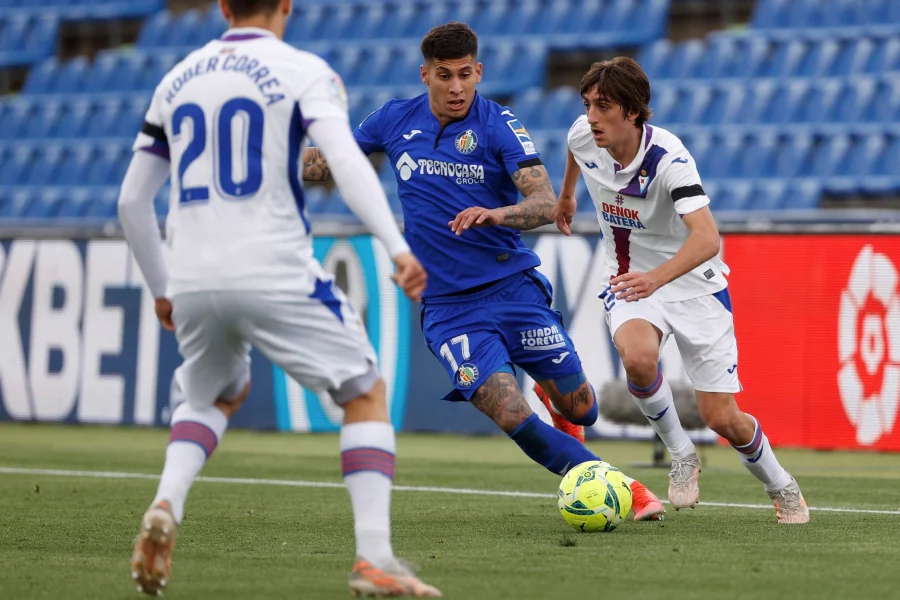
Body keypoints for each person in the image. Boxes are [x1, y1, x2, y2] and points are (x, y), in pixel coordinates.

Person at [118, 0, 443, 595]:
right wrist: (396, 245)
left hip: (190, 272)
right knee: (365, 391)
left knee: (218, 388)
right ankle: (374, 559)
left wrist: (162, 288)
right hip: (272, 265)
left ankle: (167, 501)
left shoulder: (177, 78)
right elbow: (345, 159)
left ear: (222, 6)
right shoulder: (303, 70)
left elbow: (132, 202)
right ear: (287, 5)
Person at [302, 22, 664, 521]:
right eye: (445, 76)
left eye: (466, 75)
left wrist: (496, 214)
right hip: (451, 308)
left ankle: (558, 403)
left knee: (583, 408)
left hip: (512, 288)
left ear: (479, 72)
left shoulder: (498, 124)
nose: (456, 88)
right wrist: (272, 159)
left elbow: (543, 203)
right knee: (510, 411)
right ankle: (627, 488)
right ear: (424, 74)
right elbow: (323, 165)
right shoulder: (393, 119)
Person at [556, 57, 809, 524]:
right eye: (587, 104)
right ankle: (681, 453)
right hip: (632, 280)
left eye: (603, 106)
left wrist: (657, 277)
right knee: (636, 357)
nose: (591, 116)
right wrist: (568, 194)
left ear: (632, 112)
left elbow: (707, 237)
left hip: (695, 287)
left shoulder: (669, 159)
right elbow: (574, 149)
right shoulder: (584, 134)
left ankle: (781, 484)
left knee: (723, 418)